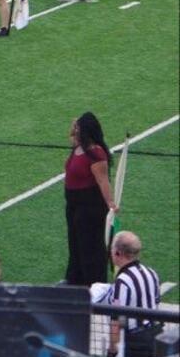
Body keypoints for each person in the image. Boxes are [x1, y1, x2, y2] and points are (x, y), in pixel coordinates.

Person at [109, 231, 161, 357]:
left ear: (118, 253)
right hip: (155, 337)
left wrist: (112, 350)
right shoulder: (151, 273)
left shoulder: (122, 281)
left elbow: (115, 321)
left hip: (135, 343)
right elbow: (155, 304)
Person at [64, 113, 117, 287]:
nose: (76, 130)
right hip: (73, 205)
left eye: (79, 127)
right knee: (75, 244)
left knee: (90, 246)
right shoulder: (78, 146)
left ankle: (93, 283)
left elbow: (103, 181)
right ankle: (75, 279)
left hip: (89, 206)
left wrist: (110, 203)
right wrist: (76, 124)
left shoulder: (96, 153)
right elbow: (71, 134)